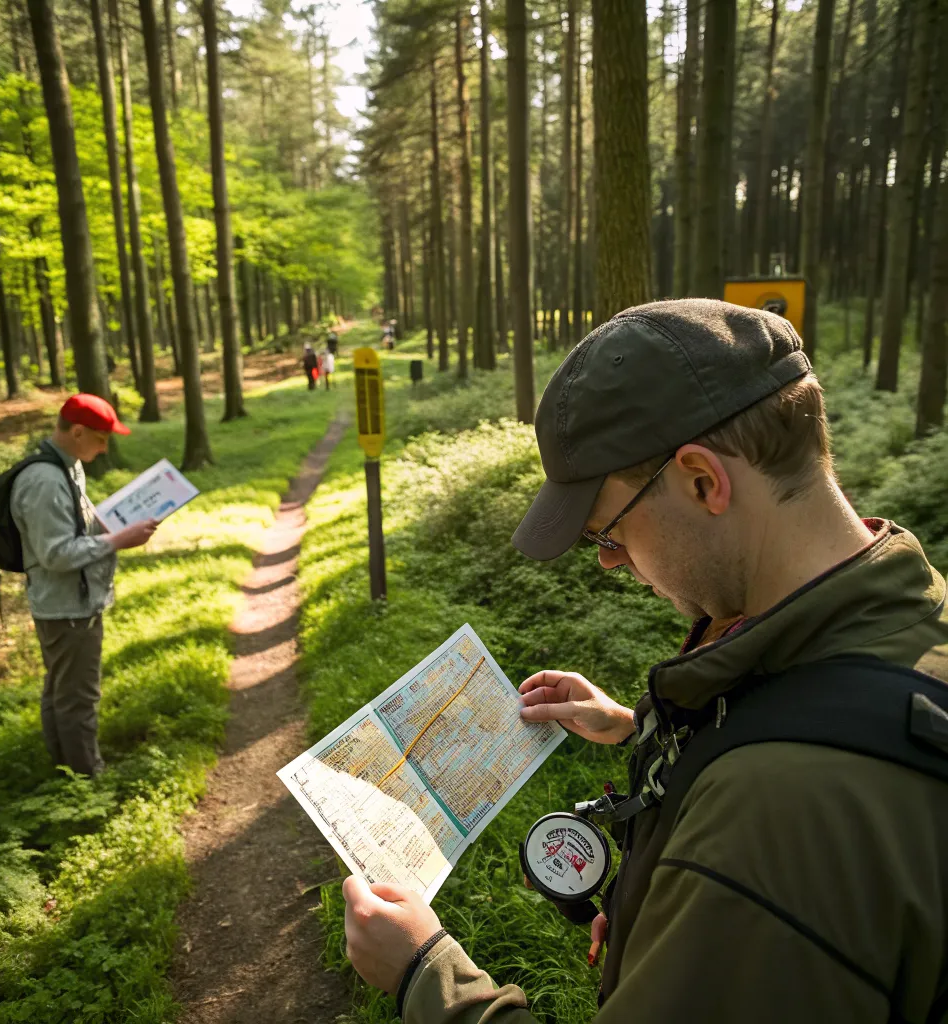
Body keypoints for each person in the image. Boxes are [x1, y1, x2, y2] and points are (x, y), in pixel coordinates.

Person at [341, 299, 948, 1023]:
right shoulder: (906, 618)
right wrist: (641, 734)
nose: (608, 562)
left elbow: (784, 830)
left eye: (608, 530)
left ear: (701, 480)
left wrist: (423, 975)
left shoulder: (769, 824)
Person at [11, 394, 158, 777]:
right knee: (78, 697)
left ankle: (65, 771)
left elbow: (77, 526)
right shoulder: (44, 481)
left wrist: (113, 524)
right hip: (67, 608)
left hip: (73, 601)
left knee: (63, 691)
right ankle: (87, 779)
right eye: (101, 438)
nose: (106, 447)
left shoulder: (69, 467)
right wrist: (117, 540)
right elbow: (55, 553)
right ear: (78, 432)